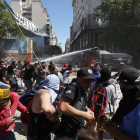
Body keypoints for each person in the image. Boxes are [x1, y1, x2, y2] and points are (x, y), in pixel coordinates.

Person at [58, 67, 95, 138]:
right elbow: (62, 107)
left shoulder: (83, 88)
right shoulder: (73, 87)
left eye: (91, 81)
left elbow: (80, 103)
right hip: (68, 134)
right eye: (86, 81)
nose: (89, 84)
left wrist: (87, 110)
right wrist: (84, 115)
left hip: (78, 130)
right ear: (78, 79)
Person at [106, 67, 140, 140]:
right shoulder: (126, 102)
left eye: (126, 86)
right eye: (120, 86)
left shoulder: (138, 108)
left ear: (137, 86)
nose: (122, 89)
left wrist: (118, 135)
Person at [27, 74, 60, 140]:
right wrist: (55, 113)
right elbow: (47, 109)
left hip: (41, 134)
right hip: (37, 135)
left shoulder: (41, 90)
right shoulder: (44, 92)